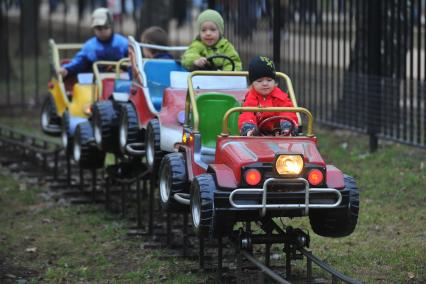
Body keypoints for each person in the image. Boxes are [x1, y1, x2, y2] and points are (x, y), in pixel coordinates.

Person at [58, 8, 128, 78]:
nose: (102, 30)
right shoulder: (90, 47)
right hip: (98, 84)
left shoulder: (123, 43)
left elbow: (133, 63)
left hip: (121, 82)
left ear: (110, 26)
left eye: (105, 27)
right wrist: (66, 69)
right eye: (98, 28)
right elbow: (78, 62)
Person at [238, 56, 299, 136]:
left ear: (274, 81)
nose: (265, 84)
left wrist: (287, 126)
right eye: (259, 81)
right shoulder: (251, 97)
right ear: (252, 84)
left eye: (269, 80)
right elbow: (247, 114)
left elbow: (287, 111)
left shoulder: (280, 96)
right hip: (258, 135)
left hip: (279, 134)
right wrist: (248, 127)